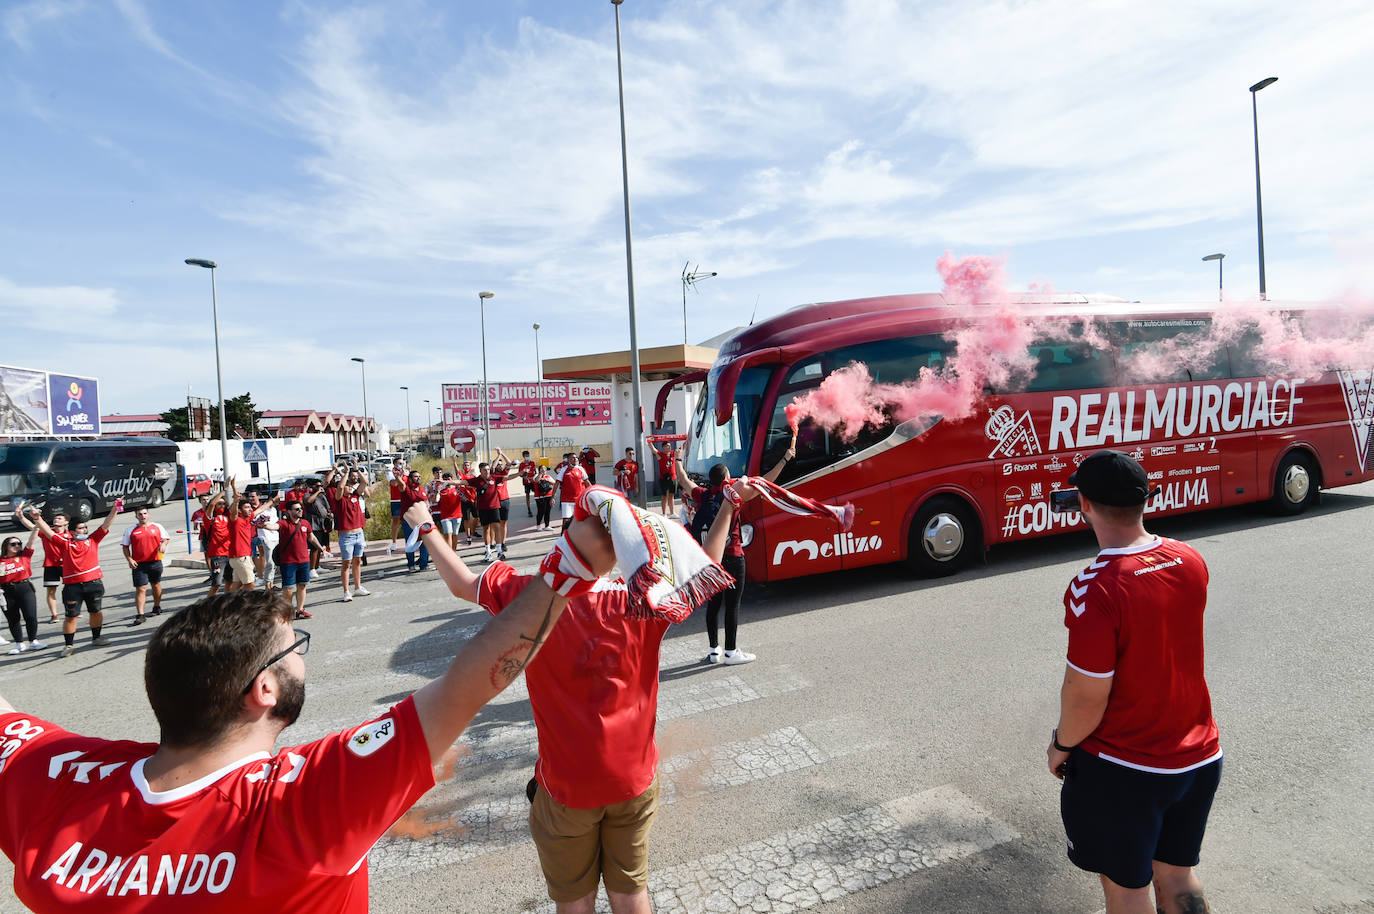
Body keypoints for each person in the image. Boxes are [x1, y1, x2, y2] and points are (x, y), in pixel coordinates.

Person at [0, 512, 618, 912]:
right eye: (294, 649)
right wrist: (572, 568)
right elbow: (468, 682)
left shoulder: (54, 775)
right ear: (263, 690)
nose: (303, 656)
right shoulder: (304, 804)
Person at [411, 481, 744, 913]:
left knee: (574, 903)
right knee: (631, 894)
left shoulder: (530, 596)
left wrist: (426, 527)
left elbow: (463, 584)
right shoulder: (641, 600)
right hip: (633, 779)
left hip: (568, 788)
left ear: (569, 540)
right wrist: (730, 506)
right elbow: (707, 564)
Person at [1046, 450, 1222, 914]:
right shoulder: (1189, 558)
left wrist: (1061, 744)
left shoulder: (1095, 585)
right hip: (1199, 756)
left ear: (1083, 503)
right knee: (1179, 876)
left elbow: (1086, 693)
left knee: (1127, 891)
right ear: (1145, 500)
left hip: (1128, 768)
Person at [676, 447, 793, 665]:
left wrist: (677, 457)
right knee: (732, 605)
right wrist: (785, 458)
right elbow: (767, 482)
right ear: (727, 478)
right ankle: (731, 652)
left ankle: (714, 651)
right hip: (733, 556)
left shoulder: (704, 495)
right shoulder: (734, 495)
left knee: (713, 605)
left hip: (711, 560)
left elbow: (682, 479)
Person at [24, 500, 121, 658]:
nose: (85, 530)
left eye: (85, 527)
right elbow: (48, 532)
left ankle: (97, 637)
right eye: (81, 528)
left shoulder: (93, 540)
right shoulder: (65, 544)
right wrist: (37, 518)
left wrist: (114, 510)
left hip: (94, 583)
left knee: (95, 611)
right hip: (73, 587)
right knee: (71, 616)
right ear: (73, 532)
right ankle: (68, 645)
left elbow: (106, 524)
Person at [266, 499, 326, 619]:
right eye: (297, 509)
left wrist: (321, 549)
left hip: (304, 560)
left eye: (300, 509)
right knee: (288, 589)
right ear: (289, 511)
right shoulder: (284, 523)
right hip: (288, 562)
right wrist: (264, 525)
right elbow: (273, 527)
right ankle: (288, 611)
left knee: (302, 585)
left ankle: (300, 610)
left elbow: (311, 538)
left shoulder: (305, 523)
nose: (300, 511)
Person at [324, 467, 372, 602]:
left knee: (358, 561)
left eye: (351, 486)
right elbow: (340, 487)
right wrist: (345, 474)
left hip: (359, 533)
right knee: (346, 563)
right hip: (346, 536)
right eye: (348, 486)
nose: (350, 488)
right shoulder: (339, 500)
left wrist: (356, 469)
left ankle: (358, 587)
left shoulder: (356, 496)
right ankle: (346, 591)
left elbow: (365, 482)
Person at [0, 522, 45, 653]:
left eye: (19, 543)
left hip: (25, 588)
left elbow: (32, 540)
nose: (17, 546)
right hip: (7, 591)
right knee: (13, 618)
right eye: (13, 544)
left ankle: (33, 641)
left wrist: (36, 526)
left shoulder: (24, 556)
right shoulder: (1, 561)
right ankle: (19, 643)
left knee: (30, 615)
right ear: (6, 547)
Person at [121, 506, 170, 624]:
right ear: (136, 516)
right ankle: (140, 614)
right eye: (140, 514)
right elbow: (125, 546)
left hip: (155, 562)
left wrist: (163, 544)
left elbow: (166, 538)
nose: (143, 516)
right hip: (139, 565)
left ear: (148, 514)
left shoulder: (157, 526)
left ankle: (157, 606)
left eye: (144, 513)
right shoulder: (130, 530)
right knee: (141, 588)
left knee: (156, 585)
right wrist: (129, 559)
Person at [35, 508, 71, 623]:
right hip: (50, 565)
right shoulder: (47, 533)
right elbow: (32, 527)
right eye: (55, 518)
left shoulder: (70, 535)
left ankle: (72, 610)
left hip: (66, 565)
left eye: (60, 518)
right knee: (51, 591)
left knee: (71, 589)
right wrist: (21, 517)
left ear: (66, 522)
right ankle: (54, 615)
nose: (56, 519)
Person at [471, 460, 508, 562]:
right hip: (483, 509)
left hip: (494, 507)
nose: (487, 471)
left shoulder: (494, 478)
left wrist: (520, 473)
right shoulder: (477, 480)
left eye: (488, 469)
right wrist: (447, 482)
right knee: (486, 529)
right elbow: (462, 482)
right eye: (484, 470)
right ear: (480, 471)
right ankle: (488, 553)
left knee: (497, 528)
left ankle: (500, 551)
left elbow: (507, 477)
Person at [398, 470, 431, 572]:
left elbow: (426, 502)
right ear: (411, 479)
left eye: (419, 476)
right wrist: (398, 477)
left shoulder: (422, 489)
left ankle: (424, 565)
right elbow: (401, 484)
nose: (418, 478)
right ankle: (411, 565)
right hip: (408, 521)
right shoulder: (405, 488)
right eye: (416, 476)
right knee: (410, 543)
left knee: (425, 542)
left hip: (422, 521)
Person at [553, 452, 588, 534]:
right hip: (567, 500)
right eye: (572, 458)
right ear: (568, 460)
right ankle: (562, 536)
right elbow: (557, 483)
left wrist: (593, 492)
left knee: (580, 519)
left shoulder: (581, 469)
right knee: (566, 520)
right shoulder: (564, 469)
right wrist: (552, 497)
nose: (575, 459)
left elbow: (587, 482)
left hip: (579, 499)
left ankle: (579, 536)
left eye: (576, 457)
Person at [650, 440, 678, 516]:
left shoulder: (673, 453)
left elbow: (683, 447)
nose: (668, 447)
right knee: (664, 496)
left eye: (669, 445)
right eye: (666, 446)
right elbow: (653, 450)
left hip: (673, 477)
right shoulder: (660, 454)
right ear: (663, 447)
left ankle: (672, 512)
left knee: (672, 495)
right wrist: (649, 442)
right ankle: (664, 513)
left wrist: (687, 438)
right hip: (664, 478)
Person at [437, 473, 464, 552]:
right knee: (448, 534)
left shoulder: (457, 489)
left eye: (449, 479)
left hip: (457, 516)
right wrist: (436, 490)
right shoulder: (441, 491)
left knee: (455, 535)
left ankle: (454, 553)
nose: (448, 481)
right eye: (446, 479)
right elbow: (436, 500)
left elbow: (465, 498)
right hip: (446, 517)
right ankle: (450, 554)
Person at [386, 459, 407, 554]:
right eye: (399, 463)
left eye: (402, 463)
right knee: (396, 521)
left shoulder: (407, 472)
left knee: (408, 521)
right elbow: (394, 483)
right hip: (396, 500)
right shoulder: (390, 473)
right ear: (394, 464)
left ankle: (410, 541)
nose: (401, 465)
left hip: (406, 499)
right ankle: (394, 542)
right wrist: (400, 476)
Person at [533, 464, 556, 531]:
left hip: (548, 496)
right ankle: (538, 525)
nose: (543, 470)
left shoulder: (548, 476)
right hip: (539, 497)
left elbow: (554, 482)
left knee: (547, 511)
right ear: (539, 470)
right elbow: (537, 480)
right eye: (542, 469)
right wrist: (540, 474)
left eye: (545, 469)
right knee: (541, 511)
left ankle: (547, 525)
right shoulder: (536, 476)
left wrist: (547, 479)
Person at [518, 450, 539, 517]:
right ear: (523, 457)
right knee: (527, 495)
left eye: (528, 455)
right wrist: (523, 476)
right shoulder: (521, 464)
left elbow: (535, 472)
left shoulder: (532, 463)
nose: (527, 457)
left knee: (537, 493)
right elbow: (520, 474)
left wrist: (536, 477)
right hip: (526, 482)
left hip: (533, 481)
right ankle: (529, 509)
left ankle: (539, 507)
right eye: (526, 456)